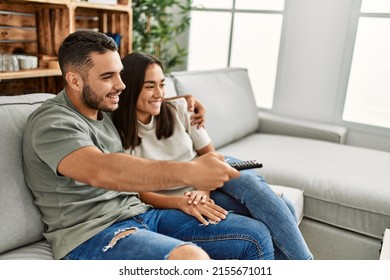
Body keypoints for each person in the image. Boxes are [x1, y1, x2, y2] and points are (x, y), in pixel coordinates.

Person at [22, 30, 279, 260]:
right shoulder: (53, 122)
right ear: (75, 80)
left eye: (120, 74)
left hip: (142, 213)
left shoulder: (104, 108)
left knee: (254, 235)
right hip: (91, 236)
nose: (120, 85)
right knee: (190, 259)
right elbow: (103, 170)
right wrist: (192, 171)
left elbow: (145, 100)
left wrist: (185, 100)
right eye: (108, 76)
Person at [112, 52, 313, 260]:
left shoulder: (179, 109)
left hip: (208, 178)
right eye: (149, 86)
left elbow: (211, 156)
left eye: (162, 84)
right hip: (182, 198)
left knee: (251, 187)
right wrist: (182, 202)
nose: (159, 93)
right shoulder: (117, 133)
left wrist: (203, 188)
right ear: (130, 87)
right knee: (284, 206)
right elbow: (139, 192)